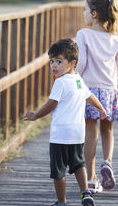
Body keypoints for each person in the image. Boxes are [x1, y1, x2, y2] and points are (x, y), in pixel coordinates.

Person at [24, 38, 107, 206]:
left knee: (58, 171)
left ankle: (61, 202)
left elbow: (50, 104)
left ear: (72, 63)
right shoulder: (78, 79)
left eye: (59, 61)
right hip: (77, 134)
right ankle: (86, 194)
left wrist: (35, 116)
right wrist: (101, 108)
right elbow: (89, 96)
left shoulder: (60, 83)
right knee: (78, 165)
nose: (53, 65)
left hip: (60, 136)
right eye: (52, 61)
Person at [75, 0, 118, 193]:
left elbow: (82, 63)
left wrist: (74, 81)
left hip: (89, 90)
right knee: (107, 130)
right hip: (110, 90)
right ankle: (107, 162)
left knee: (91, 131)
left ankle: (90, 177)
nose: (83, 13)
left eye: (86, 10)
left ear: (94, 14)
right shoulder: (117, 38)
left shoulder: (83, 34)